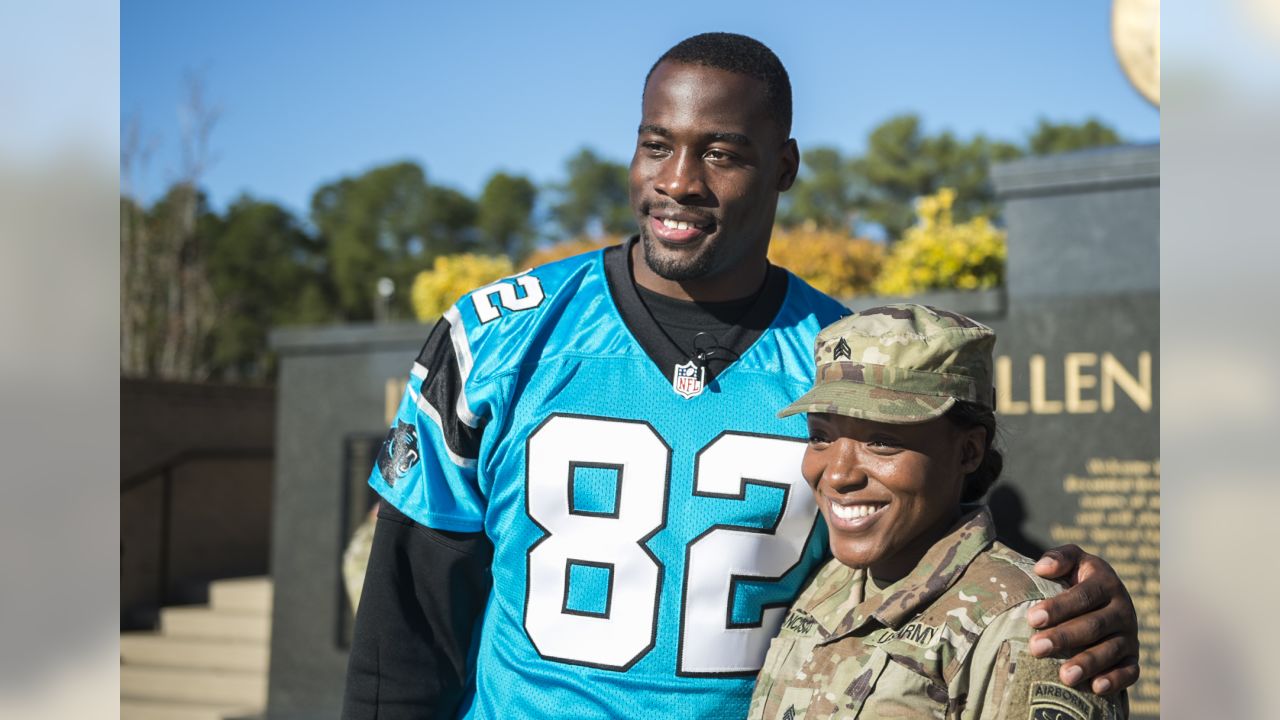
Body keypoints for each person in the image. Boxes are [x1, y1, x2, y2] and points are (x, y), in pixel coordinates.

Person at [342, 33, 1139, 720]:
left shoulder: (841, 357)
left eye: (720, 152)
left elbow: (942, 561)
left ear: (784, 165)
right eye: (657, 144)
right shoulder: (499, 334)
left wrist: (1067, 605)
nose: (679, 180)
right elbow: (407, 620)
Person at [749, 304, 1127, 719]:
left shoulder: (1029, 626)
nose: (838, 474)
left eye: (881, 441)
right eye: (821, 436)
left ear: (968, 451)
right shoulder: (826, 581)